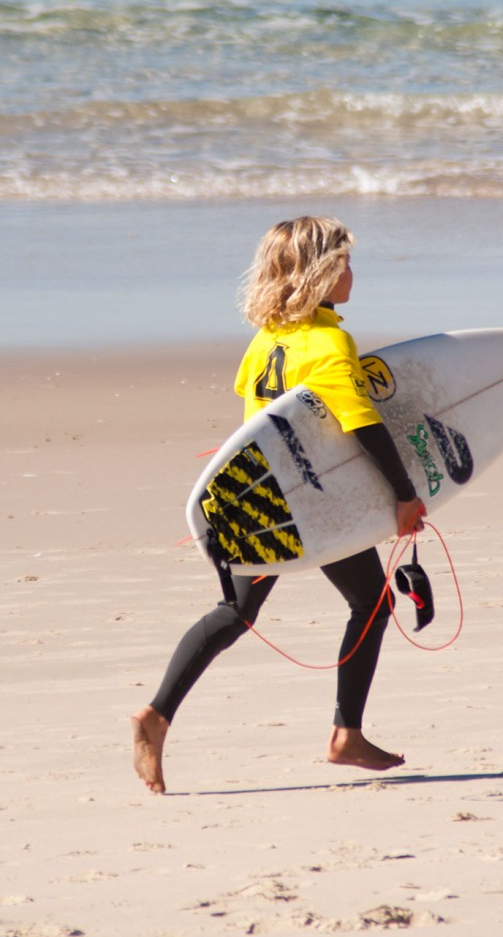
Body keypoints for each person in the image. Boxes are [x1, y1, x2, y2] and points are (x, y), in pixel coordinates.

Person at [132, 216, 426, 793]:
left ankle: (157, 715)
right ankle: (346, 735)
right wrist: (404, 496)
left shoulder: (266, 340)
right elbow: (361, 423)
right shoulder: (329, 342)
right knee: (370, 602)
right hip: (310, 504)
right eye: (343, 261)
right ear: (320, 272)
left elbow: (255, 426)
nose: (351, 272)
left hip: (259, 497)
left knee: (234, 614)